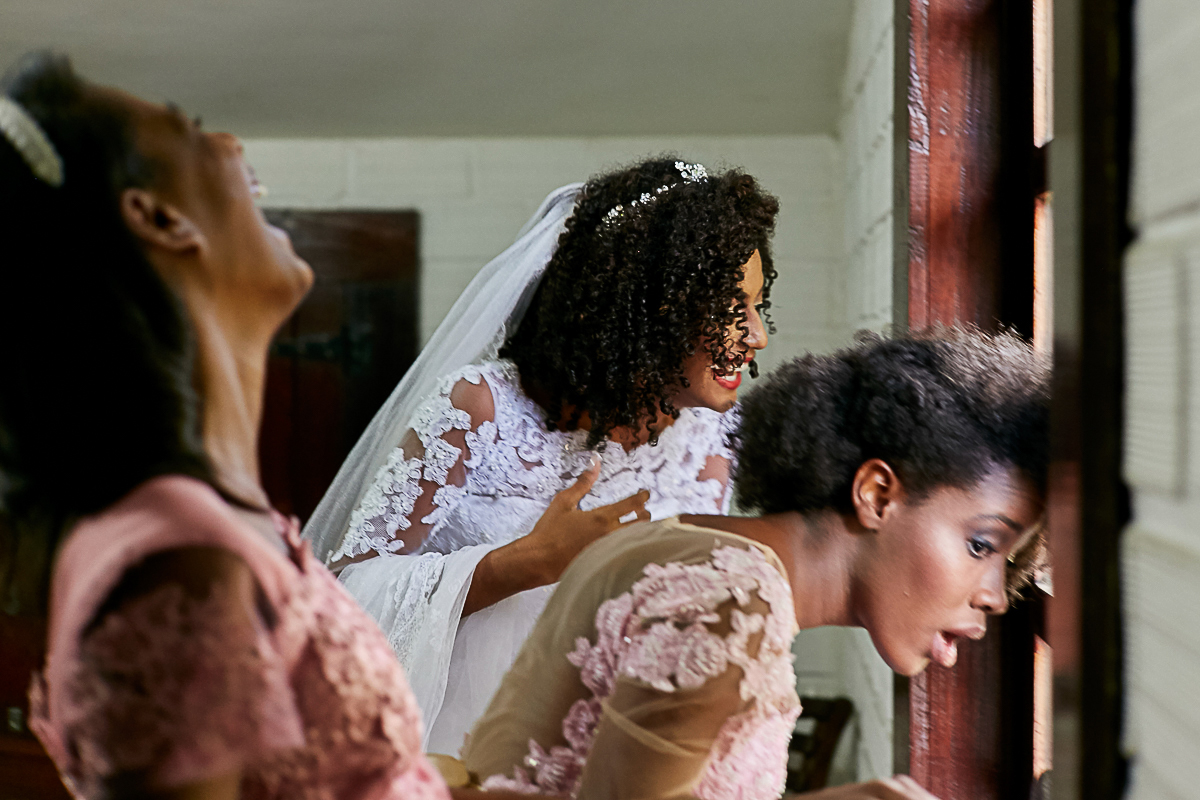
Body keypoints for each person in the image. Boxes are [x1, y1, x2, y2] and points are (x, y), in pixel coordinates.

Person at [0, 53, 464, 800]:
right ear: (158, 217)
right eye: (192, 129)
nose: (234, 147)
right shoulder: (175, 561)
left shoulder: (216, 525)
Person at [303, 157, 781, 754]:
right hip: (466, 754)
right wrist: (526, 562)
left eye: (758, 306)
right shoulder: (481, 408)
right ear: (643, 307)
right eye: (734, 309)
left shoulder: (712, 439)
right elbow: (342, 599)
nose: (757, 335)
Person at [461, 328, 1049, 800]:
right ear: (877, 495)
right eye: (981, 545)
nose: (996, 595)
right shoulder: (732, 598)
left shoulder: (680, 543)